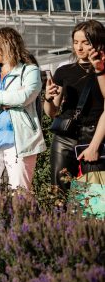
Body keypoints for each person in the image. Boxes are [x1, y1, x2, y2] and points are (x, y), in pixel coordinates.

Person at [0, 27, 45, 193]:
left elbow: (24, 97)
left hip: (20, 142)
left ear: (5, 46)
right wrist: (1, 104)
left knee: (20, 194)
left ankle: (20, 220)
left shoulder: (30, 70)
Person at [44, 20, 105, 192]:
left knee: (95, 194)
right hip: (65, 135)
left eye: (86, 43)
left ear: (98, 43)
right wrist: (48, 98)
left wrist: (94, 146)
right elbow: (52, 113)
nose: (79, 48)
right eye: (76, 42)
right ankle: (57, 219)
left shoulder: (102, 70)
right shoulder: (64, 71)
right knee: (58, 191)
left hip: (94, 135)